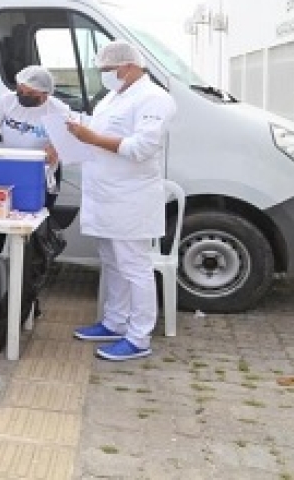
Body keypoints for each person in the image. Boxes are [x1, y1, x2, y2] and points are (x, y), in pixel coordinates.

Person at [66, 39, 176, 361]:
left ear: (128, 66)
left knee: (135, 267)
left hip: (132, 199)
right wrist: (75, 129)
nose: (103, 76)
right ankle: (115, 322)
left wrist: (91, 138)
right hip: (106, 196)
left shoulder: (155, 99)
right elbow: (98, 132)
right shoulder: (114, 97)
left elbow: (141, 148)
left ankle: (139, 337)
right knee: (113, 262)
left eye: (107, 70)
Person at [0, 65, 68, 296]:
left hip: (40, 174)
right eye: (21, 92)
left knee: (35, 230)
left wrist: (56, 148)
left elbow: (64, 144)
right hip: (10, 168)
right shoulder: (7, 102)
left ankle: (28, 285)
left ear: (45, 94)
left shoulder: (58, 110)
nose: (23, 98)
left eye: (30, 95)